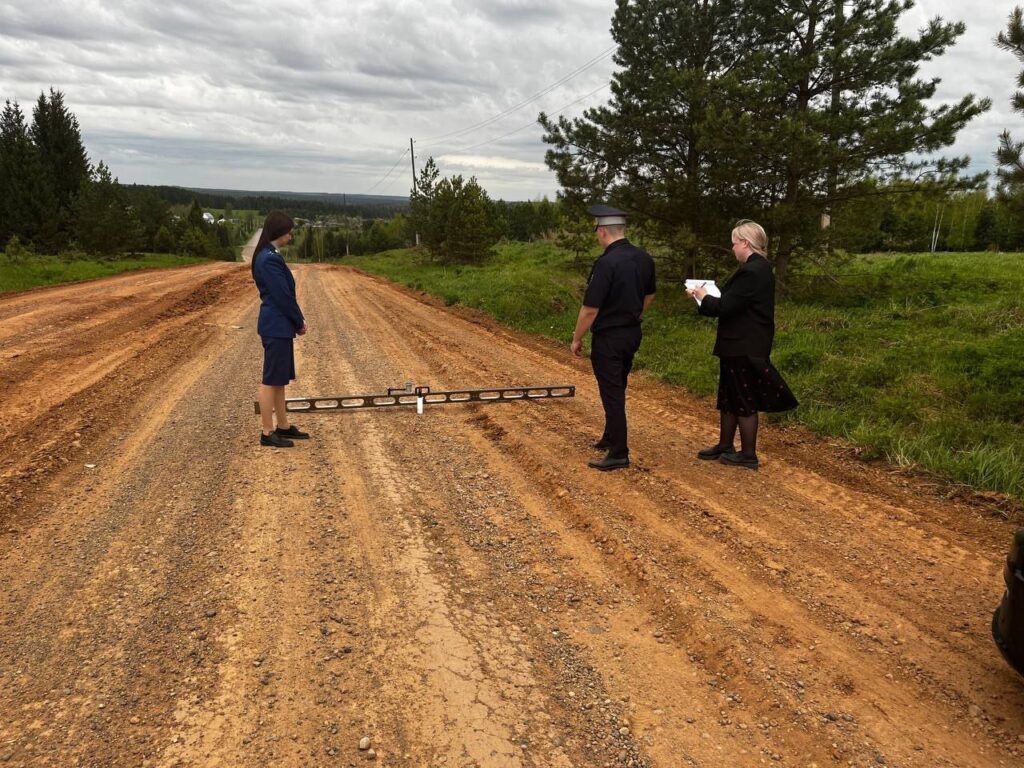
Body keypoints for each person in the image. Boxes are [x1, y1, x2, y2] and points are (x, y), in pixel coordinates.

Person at [687, 220, 797, 470]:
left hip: (744, 344)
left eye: (734, 243)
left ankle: (748, 454)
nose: (732, 247)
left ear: (745, 243)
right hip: (738, 343)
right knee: (729, 395)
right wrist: (702, 298)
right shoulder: (758, 268)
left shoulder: (752, 271)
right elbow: (733, 302)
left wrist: (703, 297)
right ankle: (726, 444)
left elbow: (725, 306)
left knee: (744, 397)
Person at [571, 204, 656, 471]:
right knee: (617, 385)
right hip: (632, 333)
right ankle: (610, 436)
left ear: (604, 231)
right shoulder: (644, 258)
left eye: (598, 230)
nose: (597, 235)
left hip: (609, 337)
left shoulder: (606, 262)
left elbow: (590, 309)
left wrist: (576, 338)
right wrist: (633, 316)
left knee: (612, 393)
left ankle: (619, 452)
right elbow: (649, 296)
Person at [251, 210, 309, 448]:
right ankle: (267, 432)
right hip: (276, 325)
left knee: (279, 379)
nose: (291, 236)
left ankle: (283, 425)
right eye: (289, 232)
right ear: (280, 232)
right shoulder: (269, 259)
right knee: (270, 379)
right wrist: (299, 321)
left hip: (278, 326)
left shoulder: (268, 255)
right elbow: (283, 297)